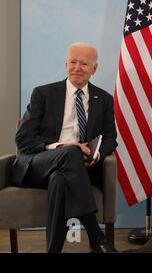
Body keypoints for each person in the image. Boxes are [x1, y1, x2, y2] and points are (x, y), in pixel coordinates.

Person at [12, 42, 118, 253]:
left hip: (77, 169)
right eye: (73, 62)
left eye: (84, 64)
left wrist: (96, 156)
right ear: (65, 64)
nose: (77, 68)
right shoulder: (43, 94)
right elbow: (23, 139)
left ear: (94, 69)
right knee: (71, 151)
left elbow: (110, 138)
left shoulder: (104, 99)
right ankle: (96, 236)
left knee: (59, 181)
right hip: (39, 163)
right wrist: (61, 146)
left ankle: (53, 251)